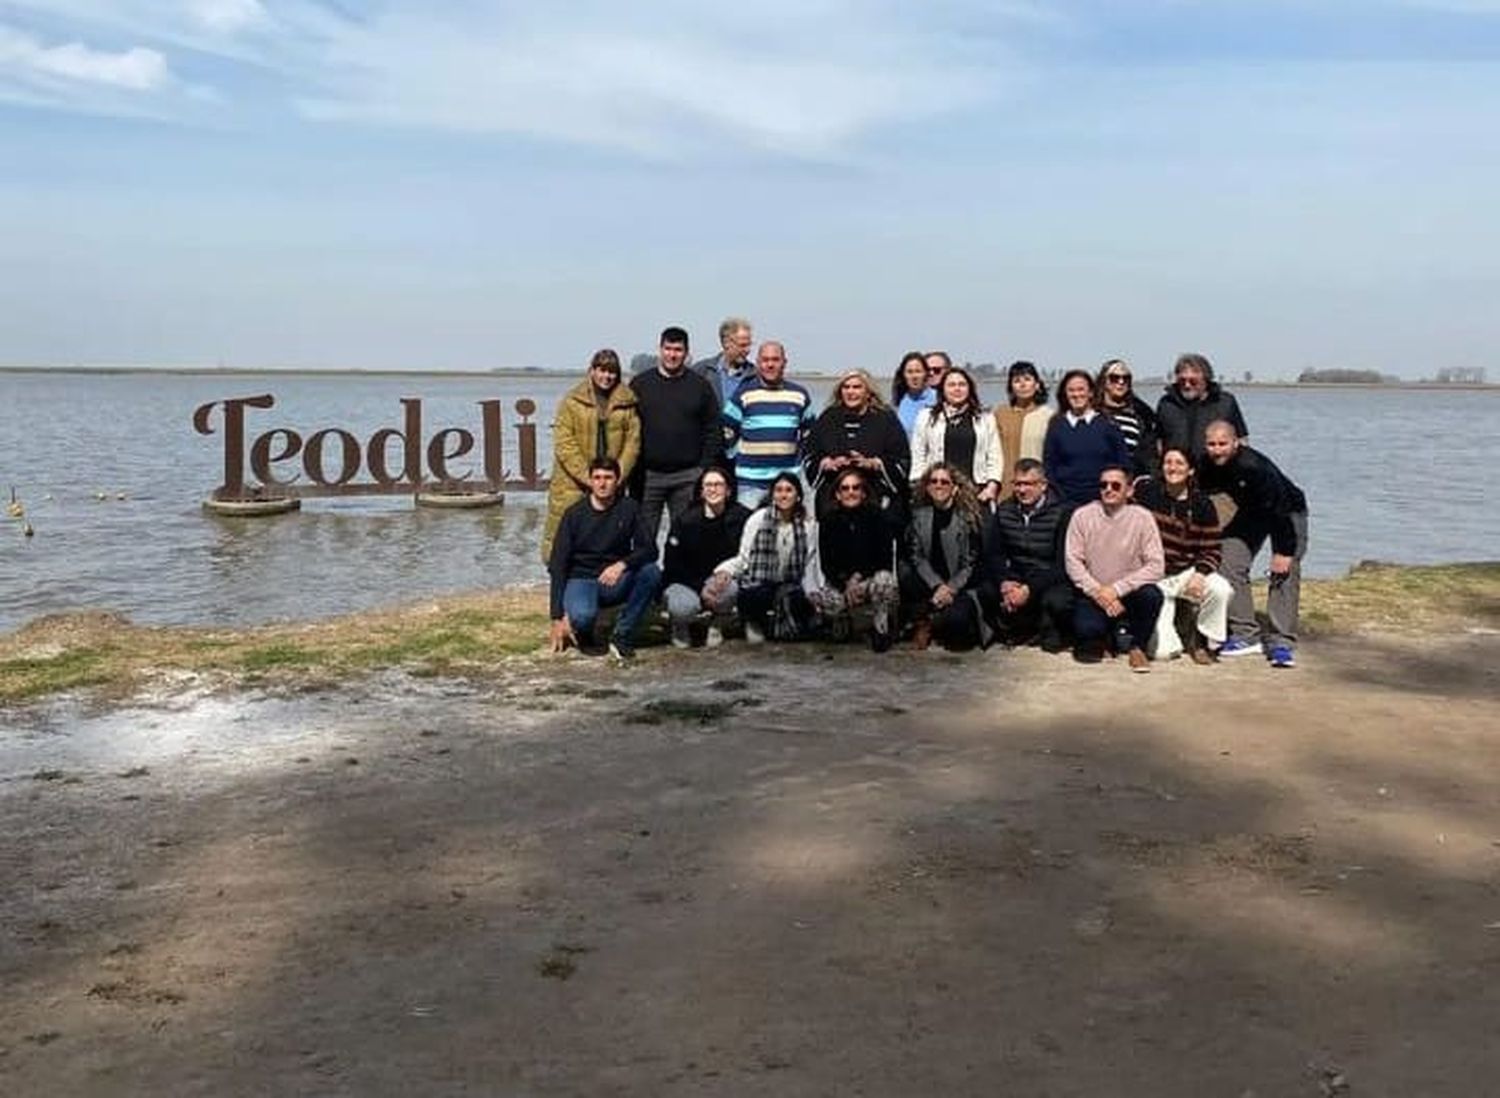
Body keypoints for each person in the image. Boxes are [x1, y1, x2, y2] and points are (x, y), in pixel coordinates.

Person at [1198, 421, 1308, 669]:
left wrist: (1284, 551)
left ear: (1236, 442)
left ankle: (1282, 641)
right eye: (1212, 444)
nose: (1217, 450)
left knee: (1283, 573)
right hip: (1251, 513)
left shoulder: (1254, 466)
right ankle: (1245, 634)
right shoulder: (1206, 463)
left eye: (1223, 444)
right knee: (1228, 562)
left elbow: (1279, 507)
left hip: (1288, 512)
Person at [547, 457, 662, 663]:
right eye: (597, 477)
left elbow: (650, 549)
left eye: (608, 478)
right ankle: (584, 630)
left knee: (651, 572)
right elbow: (558, 565)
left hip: (614, 580)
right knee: (583, 618)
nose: (602, 483)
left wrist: (622, 564)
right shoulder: (574, 514)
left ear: (617, 481)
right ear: (590, 481)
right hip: (581, 579)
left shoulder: (629, 508)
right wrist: (556, 616)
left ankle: (623, 634)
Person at [539, 348, 641, 563]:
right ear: (592, 371)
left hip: (613, 482)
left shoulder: (628, 403)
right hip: (572, 483)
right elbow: (564, 444)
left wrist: (616, 477)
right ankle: (561, 582)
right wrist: (590, 478)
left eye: (612, 372)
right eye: (602, 370)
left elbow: (633, 443)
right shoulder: (571, 401)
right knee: (564, 537)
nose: (607, 376)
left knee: (610, 537)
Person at [1133, 447, 1232, 663]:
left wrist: (1200, 573)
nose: (1172, 468)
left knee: (1221, 590)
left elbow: (1213, 548)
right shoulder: (1147, 494)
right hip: (1155, 577)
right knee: (1162, 654)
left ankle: (1202, 640)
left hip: (1187, 572)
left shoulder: (1202, 505)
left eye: (1179, 463)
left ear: (1190, 470)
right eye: (1168, 462)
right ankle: (1179, 630)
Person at [1064, 464, 1165, 671]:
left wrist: (1116, 590)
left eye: (1116, 485)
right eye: (1103, 485)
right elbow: (1073, 562)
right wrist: (1099, 592)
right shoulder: (1082, 516)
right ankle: (1108, 636)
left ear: (1129, 490)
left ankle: (1138, 647)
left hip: (1129, 593)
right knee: (1087, 635)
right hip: (1094, 592)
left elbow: (1156, 566)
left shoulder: (1143, 517)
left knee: (1152, 595)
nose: (1108, 489)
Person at [628, 325, 722, 540]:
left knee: (685, 538)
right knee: (643, 539)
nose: (672, 354)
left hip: (687, 476)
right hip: (647, 476)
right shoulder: (640, 385)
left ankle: (679, 575)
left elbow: (713, 430)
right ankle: (647, 574)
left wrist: (703, 469)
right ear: (660, 350)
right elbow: (625, 428)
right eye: (668, 349)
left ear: (686, 353)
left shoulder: (700, 386)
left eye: (678, 350)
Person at [717, 472, 826, 643]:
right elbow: (744, 557)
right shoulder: (757, 519)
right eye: (779, 490)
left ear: (798, 496)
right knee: (754, 596)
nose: (783, 495)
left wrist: (813, 592)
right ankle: (753, 622)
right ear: (773, 495)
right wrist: (725, 570)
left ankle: (788, 624)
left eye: (789, 490)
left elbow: (809, 564)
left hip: (789, 584)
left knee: (798, 601)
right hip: (760, 583)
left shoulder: (808, 525)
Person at [982, 458, 1075, 651]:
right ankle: (1013, 627)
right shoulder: (1005, 511)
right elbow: (995, 553)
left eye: (1028, 484)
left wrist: (1028, 589)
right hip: (1017, 574)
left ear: (1043, 485)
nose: (1022, 490)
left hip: (1048, 576)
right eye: (1017, 484)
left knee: (1057, 603)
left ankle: (1047, 628)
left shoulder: (1062, 512)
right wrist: (1004, 583)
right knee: (986, 590)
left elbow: (1063, 563)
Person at [804, 368, 910, 522]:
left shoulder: (886, 419)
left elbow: (902, 460)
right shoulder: (828, 418)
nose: (851, 392)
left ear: (868, 392)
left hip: (875, 501)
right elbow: (809, 456)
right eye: (846, 387)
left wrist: (875, 464)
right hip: (833, 503)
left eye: (857, 387)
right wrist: (825, 463)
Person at [901, 463, 988, 650]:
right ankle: (924, 620)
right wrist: (937, 585)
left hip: (960, 585)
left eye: (944, 482)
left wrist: (950, 588)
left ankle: (937, 621)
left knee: (957, 629)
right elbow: (917, 557)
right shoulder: (919, 517)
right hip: (931, 583)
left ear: (955, 488)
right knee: (905, 576)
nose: (938, 485)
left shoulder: (968, 519)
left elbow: (970, 565)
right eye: (933, 481)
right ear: (927, 487)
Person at [661, 467, 750, 649]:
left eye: (718, 485)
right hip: (685, 581)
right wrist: (701, 587)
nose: (713, 489)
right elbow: (672, 564)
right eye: (708, 485)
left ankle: (718, 623)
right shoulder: (685, 520)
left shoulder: (742, 517)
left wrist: (721, 577)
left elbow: (745, 556)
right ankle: (680, 626)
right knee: (683, 607)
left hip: (719, 579)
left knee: (730, 590)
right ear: (701, 491)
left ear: (728, 491)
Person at [720, 340, 816, 507]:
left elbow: (811, 433)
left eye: (775, 360)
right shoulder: (744, 394)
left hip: (787, 482)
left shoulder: (799, 395)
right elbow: (725, 428)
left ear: (784, 363)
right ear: (758, 363)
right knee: (748, 530)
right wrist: (734, 454)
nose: (770, 365)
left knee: (787, 531)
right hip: (750, 484)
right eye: (765, 360)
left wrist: (800, 460)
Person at [817, 470, 900, 651]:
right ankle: (841, 622)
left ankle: (881, 626)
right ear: (838, 494)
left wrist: (859, 578)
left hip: (869, 578)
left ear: (863, 492)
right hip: (842, 581)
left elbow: (884, 558)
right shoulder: (828, 521)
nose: (851, 492)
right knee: (823, 599)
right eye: (845, 488)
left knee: (885, 581)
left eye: (856, 487)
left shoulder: (878, 517)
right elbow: (827, 564)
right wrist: (845, 583)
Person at [910, 365, 1004, 504]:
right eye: (951, 385)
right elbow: (918, 453)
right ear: (943, 389)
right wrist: (919, 485)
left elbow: (994, 454)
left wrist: (992, 486)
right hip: (938, 489)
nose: (957, 389)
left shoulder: (985, 417)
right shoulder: (926, 416)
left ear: (969, 389)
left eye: (962, 385)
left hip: (976, 491)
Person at [1042, 369, 1130, 504]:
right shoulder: (1057, 425)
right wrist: (1059, 497)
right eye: (1071, 390)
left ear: (1090, 393)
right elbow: (1049, 465)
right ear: (1065, 394)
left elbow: (1123, 463)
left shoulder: (1108, 424)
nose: (1076, 394)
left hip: (1104, 501)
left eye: (1081, 389)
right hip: (1065, 502)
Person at [1155, 352, 1249, 461]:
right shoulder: (1167, 403)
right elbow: (1158, 441)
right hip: (1178, 472)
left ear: (1206, 379)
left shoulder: (1225, 402)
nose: (1187, 385)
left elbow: (1242, 439)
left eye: (1193, 381)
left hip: (1216, 471)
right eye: (1182, 380)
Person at [992, 361, 1055, 500]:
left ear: (1037, 384)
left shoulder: (1049, 416)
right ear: (1010, 387)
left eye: (1027, 379)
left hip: (1036, 486)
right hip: (1006, 485)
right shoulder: (1000, 414)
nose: (1022, 385)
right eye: (1017, 381)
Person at [1095, 358, 1160, 478]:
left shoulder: (1142, 414)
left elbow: (1149, 455)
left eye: (1126, 378)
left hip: (1131, 480)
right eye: (1115, 378)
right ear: (1104, 381)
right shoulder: (1092, 413)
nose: (1121, 382)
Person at [693, 316, 754, 406]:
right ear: (726, 343)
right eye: (742, 345)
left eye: (749, 345)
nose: (747, 350)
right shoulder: (702, 371)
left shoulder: (755, 376)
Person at [890, 350, 936, 436]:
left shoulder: (937, 398)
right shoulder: (898, 402)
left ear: (926, 373)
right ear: (903, 375)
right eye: (909, 372)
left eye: (918, 371)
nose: (914, 376)